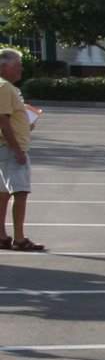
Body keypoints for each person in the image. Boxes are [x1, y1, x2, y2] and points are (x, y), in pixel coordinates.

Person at [0, 49, 43, 253]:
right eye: (17, 65)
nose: (21, 69)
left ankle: (2, 236)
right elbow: (3, 120)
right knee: (20, 192)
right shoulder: (4, 87)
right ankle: (19, 239)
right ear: (4, 67)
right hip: (10, 149)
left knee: (3, 193)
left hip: (6, 147)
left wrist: (26, 123)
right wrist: (17, 150)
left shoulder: (8, 88)